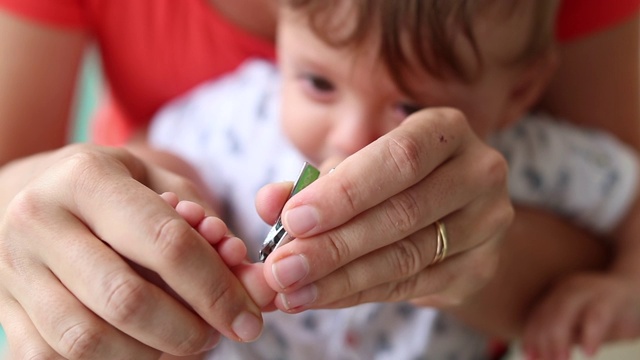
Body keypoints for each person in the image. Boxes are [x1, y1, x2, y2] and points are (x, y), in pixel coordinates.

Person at [0, 0, 637, 359]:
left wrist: (625, 285)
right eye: (319, 84)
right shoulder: (238, 111)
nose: (351, 135)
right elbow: (161, 157)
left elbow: (629, 193)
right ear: (281, 45)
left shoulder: (528, 154)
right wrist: (176, 207)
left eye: (409, 107)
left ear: (519, 91)